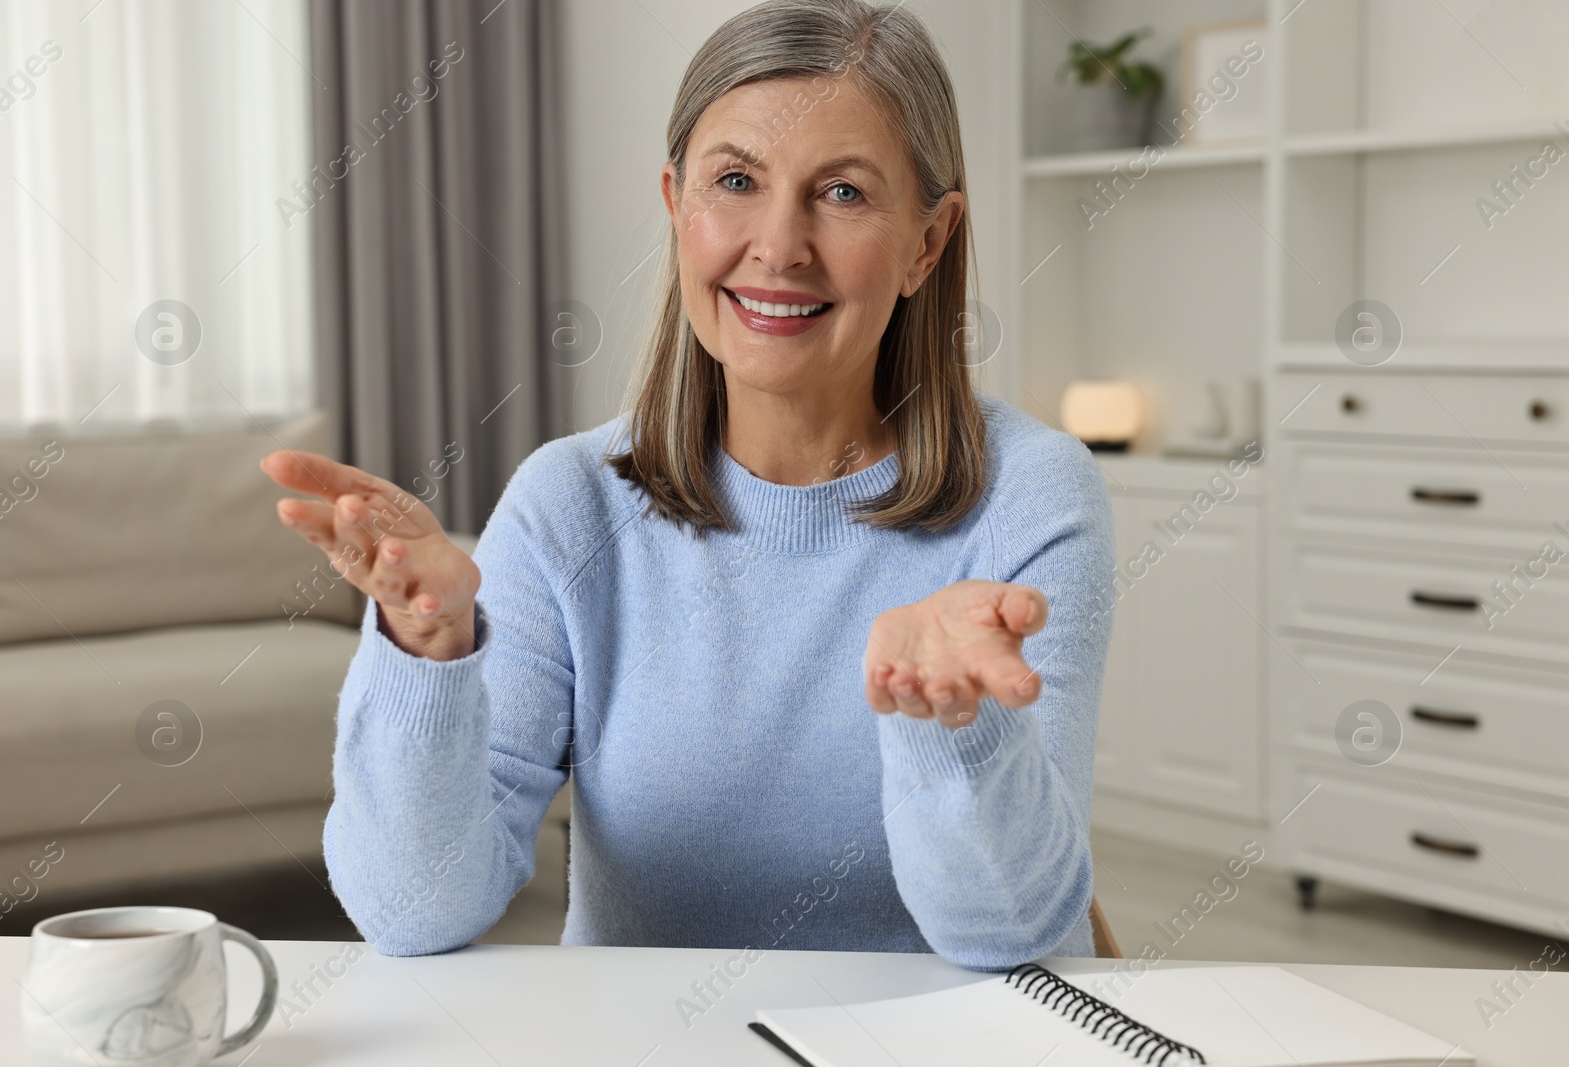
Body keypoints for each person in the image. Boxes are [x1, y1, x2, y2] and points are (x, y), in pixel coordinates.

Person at [261, 0, 1114, 970]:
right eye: (737, 181)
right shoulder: (567, 502)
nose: (779, 244)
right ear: (676, 204)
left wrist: (952, 724)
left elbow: (1011, 932)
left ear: (927, 241)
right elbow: (413, 910)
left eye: (841, 193)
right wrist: (427, 654)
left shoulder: (1032, 496)